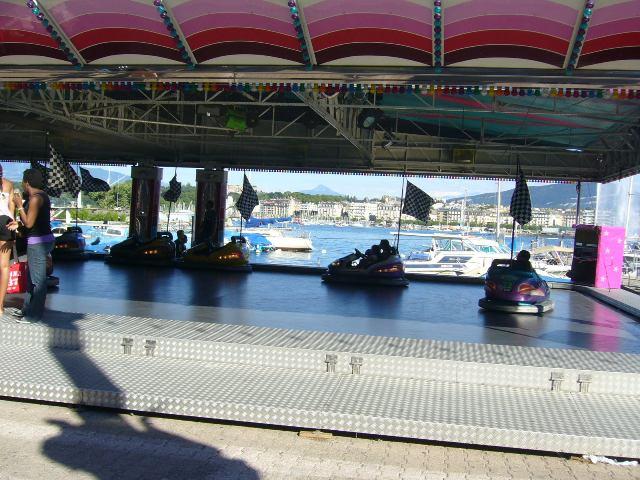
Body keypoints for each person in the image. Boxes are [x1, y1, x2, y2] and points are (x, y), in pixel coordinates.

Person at [7, 169, 54, 323]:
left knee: (37, 281)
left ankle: (34, 315)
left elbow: (29, 223)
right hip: (43, 239)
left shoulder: (35, 199)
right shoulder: (42, 195)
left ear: (26, 182)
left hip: (38, 243)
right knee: (30, 278)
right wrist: (18, 225)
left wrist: (19, 206)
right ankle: (27, 308)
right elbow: (35, 221)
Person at [0, 165, 15, 314]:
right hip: (6, 222)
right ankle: (0, 306)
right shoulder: (9, 184)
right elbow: (11, 206)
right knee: (4, 266)